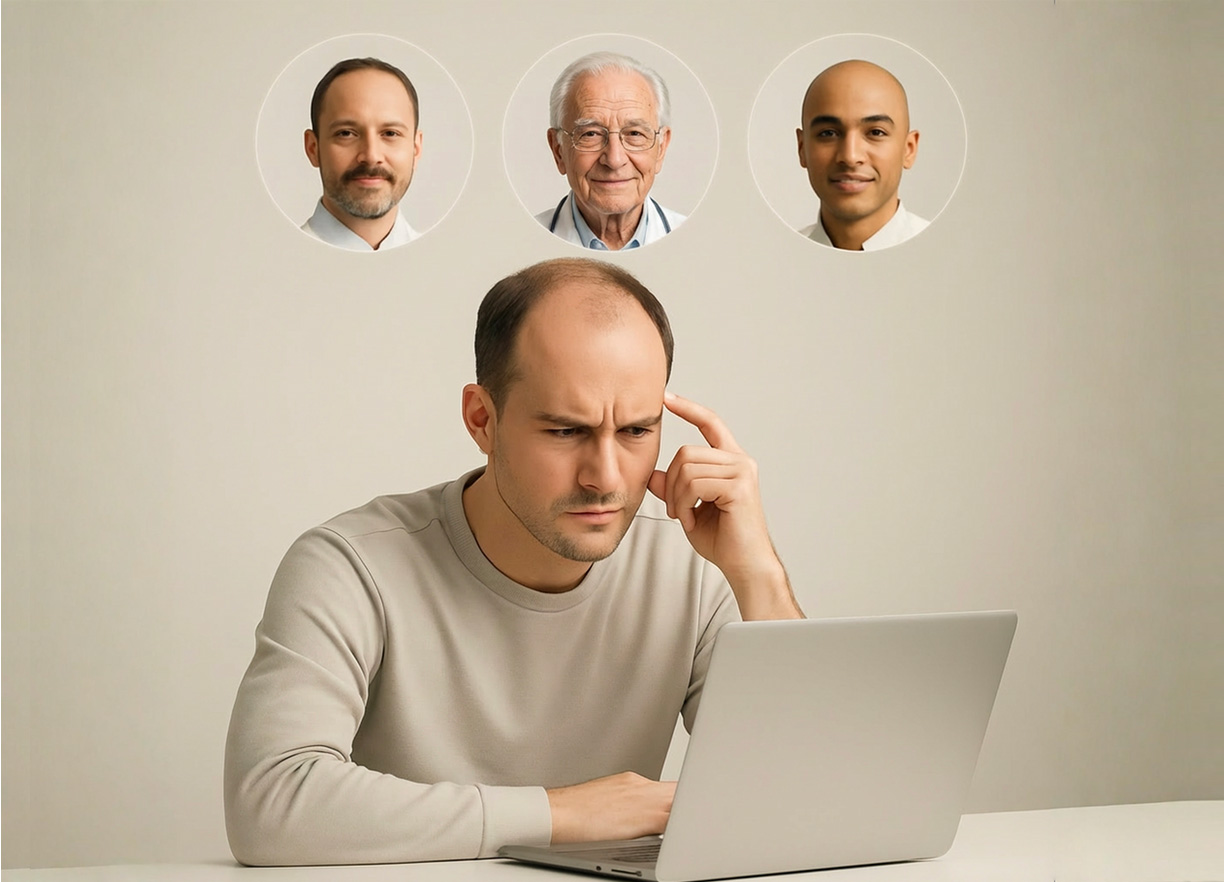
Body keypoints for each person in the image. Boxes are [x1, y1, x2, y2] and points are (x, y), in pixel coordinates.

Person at [224, 258, 802, 866]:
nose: (605, 478)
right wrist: (561, 814)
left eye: (636, 431)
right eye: (565, 432)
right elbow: (270, 804)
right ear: (483, 420)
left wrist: (757, 571)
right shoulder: (349, 566)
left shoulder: (694, 569)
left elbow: (807, 793)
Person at [536, 53, 685, 250]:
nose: (614, 160)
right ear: (558, 150)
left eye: (634, 133)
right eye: (591, 134)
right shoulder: (518, 244)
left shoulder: (702, 243)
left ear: (661, 148)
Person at [796, 60, 929, 251]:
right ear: (802, 148)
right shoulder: (770, 263)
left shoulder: (952, 256)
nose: (850, 157)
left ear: (909, 149)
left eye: (876, 132)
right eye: (828, 133)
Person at [301, 57, 423, 251]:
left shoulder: (456, 271)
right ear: (313, 149)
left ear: (416, 149)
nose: (371, 155)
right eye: (346, 133)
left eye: (390, 133)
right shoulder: (264, 272)